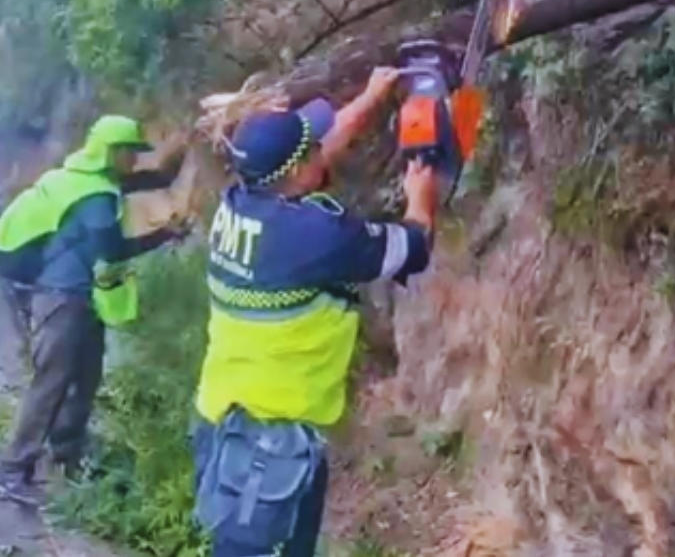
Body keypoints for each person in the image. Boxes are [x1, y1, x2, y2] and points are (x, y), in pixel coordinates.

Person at [192, 67, 436, 556]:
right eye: (312, 150)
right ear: (298, 168)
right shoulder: (314, 236)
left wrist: (370, 98)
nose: (323, 149)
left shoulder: (239, 200)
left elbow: (315, 150)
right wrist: (421, 198)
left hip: (221, 419)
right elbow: (412, 247)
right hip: (271, 448)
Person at [0, 115, 187, 506]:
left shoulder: (79, 175)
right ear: (111, 152)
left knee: (85, 377)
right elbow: (113, 250)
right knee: (51, 382)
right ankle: (13, 470)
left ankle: (66, 456)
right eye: (130, 153)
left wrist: (184, 153)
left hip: (76, 298)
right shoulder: (96, 198)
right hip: (63, 297)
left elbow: (147, 179)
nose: (134, 161)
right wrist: (165, 234)